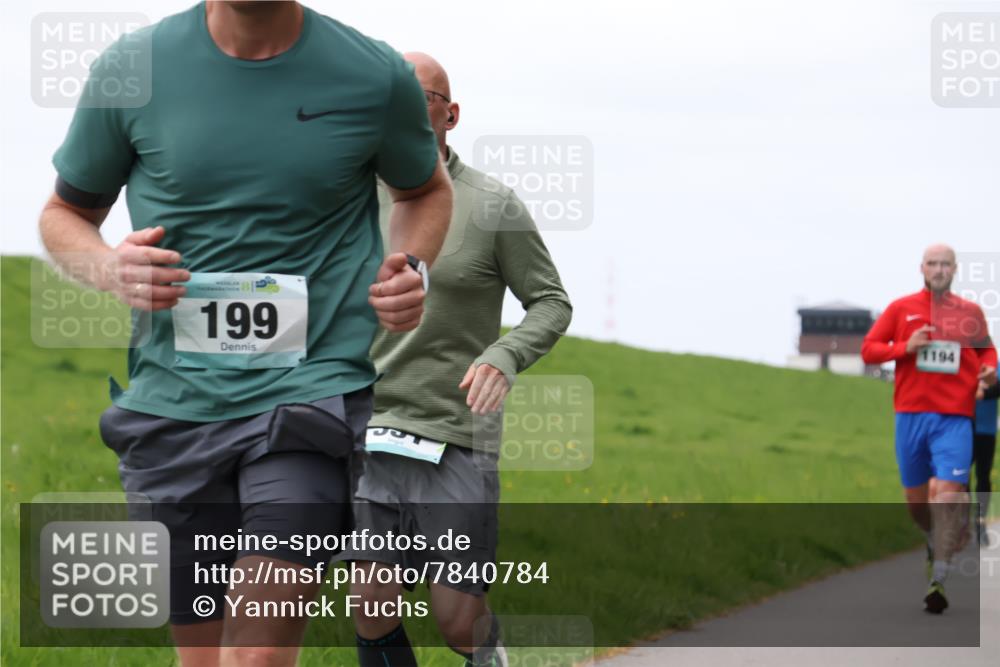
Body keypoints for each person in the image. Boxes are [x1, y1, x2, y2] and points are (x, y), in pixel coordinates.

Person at [38, 3, 452, 666]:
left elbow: (425, 189)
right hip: (173, 404)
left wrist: (412, 268)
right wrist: (109, 267)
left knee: (256, 654)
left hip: (309, 395)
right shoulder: (132, 67)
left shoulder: (374, 75)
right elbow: (65, 212)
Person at [346, 52, 573, 667]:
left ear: (451, 114)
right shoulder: (348, 201)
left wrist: (505, 355)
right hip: (366, 428)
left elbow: (551, 302)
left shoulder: (492, 204)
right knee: (370, 604)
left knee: (456, 620)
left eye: (422, 97)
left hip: (455, 433)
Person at [861, 244, 997, 614]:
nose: (939, 269)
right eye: (932, 263)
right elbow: (869, 350)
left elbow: (987, 351)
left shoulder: (970, 313)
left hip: (955, 418)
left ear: (955, 269)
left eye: (945, 264)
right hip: (910, 416)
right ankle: (933, 539)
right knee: (917, 505)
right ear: (921, 268)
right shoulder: (900, 309)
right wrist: (906, 347)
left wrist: (988, 369)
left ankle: (939, 577)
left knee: (948, 494)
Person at [972, 381, 999, 546]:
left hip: (986, 429)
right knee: (959, 478)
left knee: (983, 477)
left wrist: (983, 393)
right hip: (961, 426)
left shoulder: (995, 368)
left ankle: (980, 522)